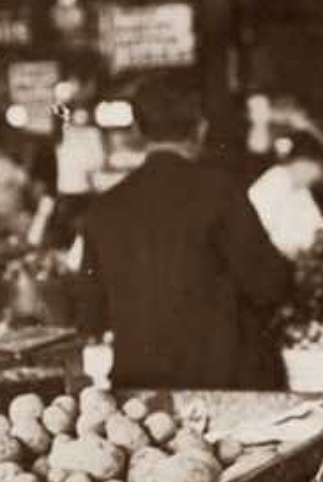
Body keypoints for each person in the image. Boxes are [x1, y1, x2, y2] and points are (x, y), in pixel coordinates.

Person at [77, 78, 291, 388]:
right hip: (222, 385)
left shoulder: (103, 209)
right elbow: (269, 284)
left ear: (137, 130)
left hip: (140, 393)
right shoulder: (220, 192)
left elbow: (91, 316)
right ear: (200, 129)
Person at [248, 131, 323, 258]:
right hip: (272, 254)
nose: (312, 180)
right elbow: (260, 226)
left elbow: (315, 219)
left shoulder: (300, 190)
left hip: (303, 250)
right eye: (312, 171)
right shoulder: (275, 180)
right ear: (301, 163)